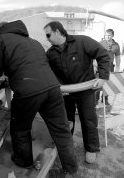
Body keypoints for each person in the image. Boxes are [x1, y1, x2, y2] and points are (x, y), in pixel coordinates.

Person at [0, 20, 78, 175]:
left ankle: (24, 162)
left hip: (28, 91)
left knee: (21, 128)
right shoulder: (34, 41)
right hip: (53, 88)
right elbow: (35, 64)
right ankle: (71, 167)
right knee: (61, 130)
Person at [44, 21, 110, 164]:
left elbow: (103, 54)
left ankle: (92, 149)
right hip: (65, 92)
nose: (47, 38)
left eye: (48, 35)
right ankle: (67, 147)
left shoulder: (82, 41)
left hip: (85, 90)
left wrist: (103, 77)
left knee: (88, 120)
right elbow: (47, 71)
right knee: (66, 121)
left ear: (57, 31)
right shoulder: (50, 53)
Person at [95, 29, 121, 105]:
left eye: (109, 35)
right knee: (99, 81)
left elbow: (118, 57)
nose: (107, 37)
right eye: (106, 35)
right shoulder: (100, 43)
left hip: (110, 66)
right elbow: (95, 55)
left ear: (113, 36)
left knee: (108, 83)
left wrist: (118, 67)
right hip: (100, 65)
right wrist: (95, 65)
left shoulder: (116, 45)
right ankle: (96, 99)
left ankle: (105, 99)